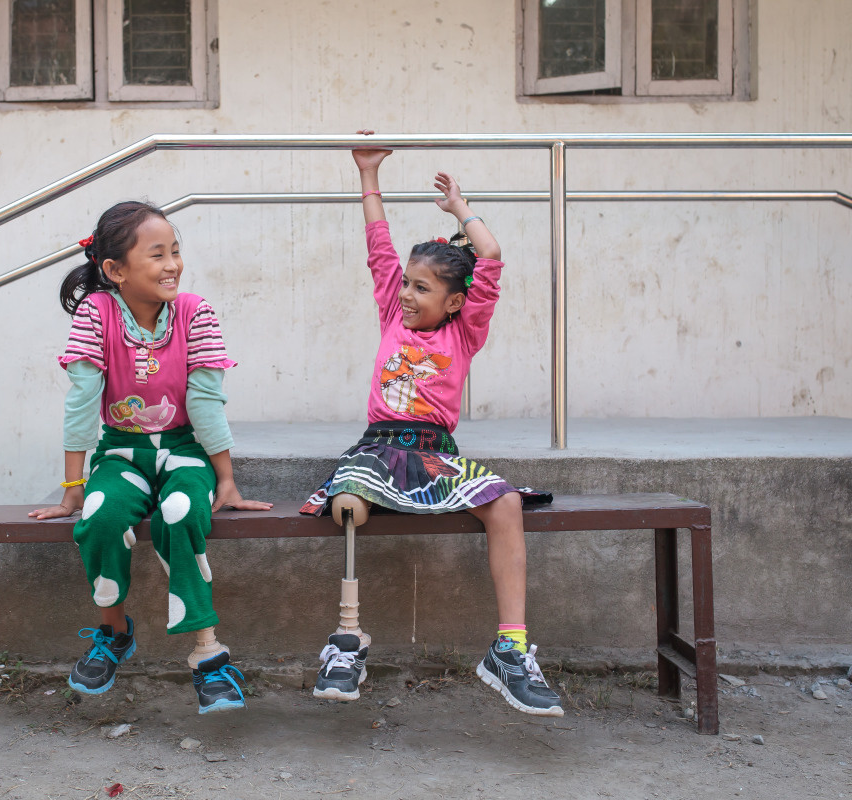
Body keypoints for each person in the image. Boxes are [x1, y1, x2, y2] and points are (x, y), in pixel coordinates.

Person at [300, 133, 562, 716]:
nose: (408, 294)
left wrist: (460, 209)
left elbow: (490, 257)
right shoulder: (392, 313)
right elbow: (378, 243)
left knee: (506, 503)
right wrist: (368, 173)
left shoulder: (464, 333)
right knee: (349, 506)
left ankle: (510, 649)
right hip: (378, 450)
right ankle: (347, 641)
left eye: (422, 288)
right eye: (407, 284)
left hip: (436, 455)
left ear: (454, 302)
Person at [31, 200, 272, 714]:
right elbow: (81, 402)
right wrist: (73, 490)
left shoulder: (195, 312)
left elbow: (205, 401)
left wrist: (226, 481)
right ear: (115, 270)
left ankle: (208, 655)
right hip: (121, 451)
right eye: (157, 255)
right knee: (101, 517)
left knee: (180, 513)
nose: (172, 265)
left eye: (176, 252)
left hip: (183, 448)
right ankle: (113, 633)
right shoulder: (95, 314)